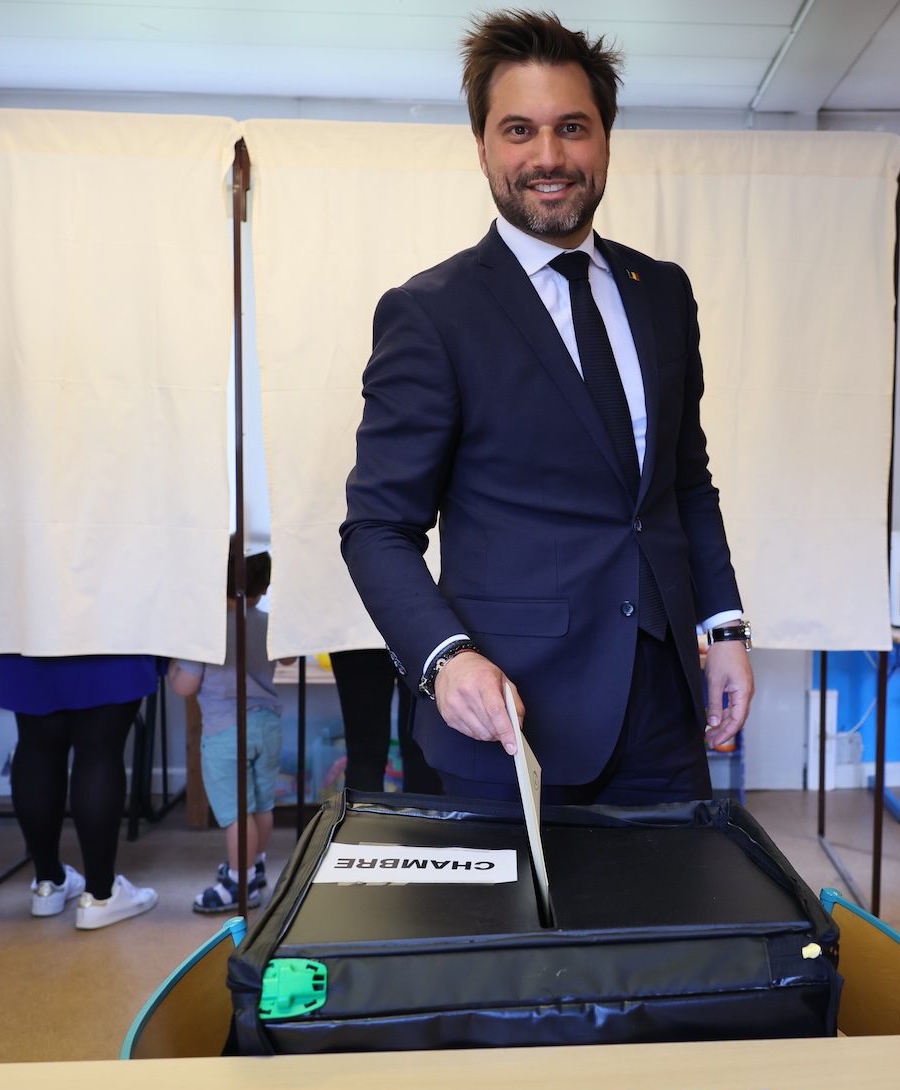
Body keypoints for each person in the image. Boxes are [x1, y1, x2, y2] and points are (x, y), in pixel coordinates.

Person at [340, 10, 754, 805]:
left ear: (605, 139)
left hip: (664, 708)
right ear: (484, 146)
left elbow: (684, 479)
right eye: (519, 130)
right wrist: (442, 658)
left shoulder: (662, 292)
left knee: (665, 924)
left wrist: (724, 625)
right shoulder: (432, 313)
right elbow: (377, 529)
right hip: (506, 715)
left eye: (573, 127)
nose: (549, 156)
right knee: (517, 933)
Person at [0, 654, 161, 930]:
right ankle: (100, 896)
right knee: (100, 751)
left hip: (34, 625)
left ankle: (48, 884)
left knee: (36, 745)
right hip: (108, 628)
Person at [169, 541, 290, 913]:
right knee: (262, 804)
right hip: (267, 725)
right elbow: (289, 654)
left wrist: (173, 662)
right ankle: (253, 866)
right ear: (265, 586)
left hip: (225, 732)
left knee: (238, 812)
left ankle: (239, 885)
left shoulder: (206, 630)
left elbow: (184, 686)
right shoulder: (268, 624)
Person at [329, 648, 444, 795]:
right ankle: (423, 818)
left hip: (359, 635)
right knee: (422, 748)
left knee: (364, 750)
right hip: (424, 633)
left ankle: (364, 817)